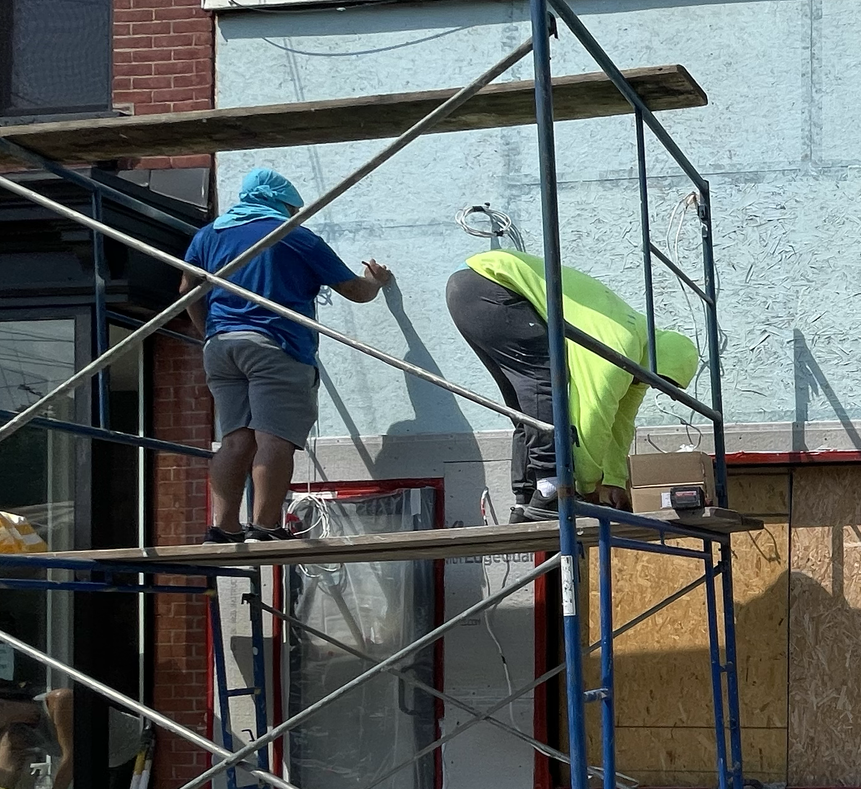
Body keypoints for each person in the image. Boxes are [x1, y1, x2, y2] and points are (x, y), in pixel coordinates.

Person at [188, 168, 391, 542]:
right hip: (275, 346)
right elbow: (355, 291)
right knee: (273, 439)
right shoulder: (296, 238)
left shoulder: (209, 235)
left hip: (220, 347)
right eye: (293, 208)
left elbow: (188, 290)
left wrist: (210, 334)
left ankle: (223, 528)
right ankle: (264, 527)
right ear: (280, 203)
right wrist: (376, 281)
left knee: (235, 441)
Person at [443, 250, 701, 521]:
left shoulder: (642, 355)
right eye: (656, 381)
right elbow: (592, 415)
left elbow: (621, 423)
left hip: (474, 287)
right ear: (657, 364)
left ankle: (527, 496)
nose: (648, 385)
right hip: (489, 285)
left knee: (526, 405)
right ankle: (550, 488)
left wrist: (614, 479)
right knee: (543, 380)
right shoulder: (621, 344)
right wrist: (586, 487)